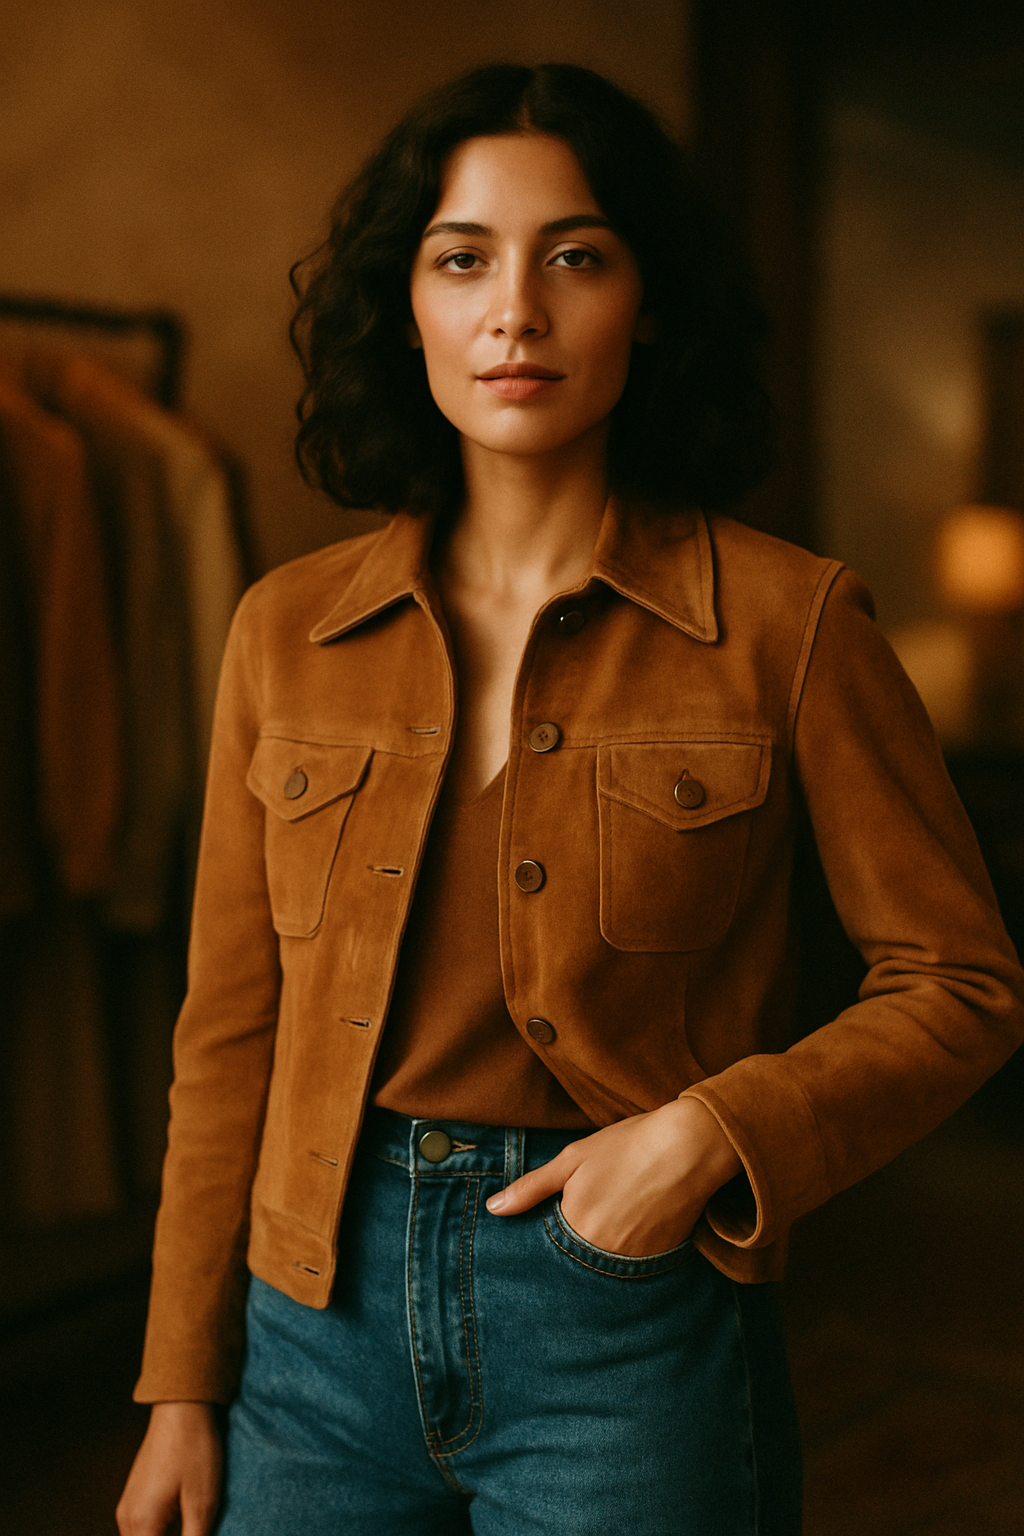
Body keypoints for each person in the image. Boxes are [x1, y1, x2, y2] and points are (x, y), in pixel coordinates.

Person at [116, 63, 1024, 1536]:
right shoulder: (283, 629)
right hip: (307, 1326)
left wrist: (714, 1137)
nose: (515, 311)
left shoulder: (793, 624)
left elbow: (962, 980)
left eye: (576, 257)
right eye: (462, 257)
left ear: (647, 302)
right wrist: (178, 1385)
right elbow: (229, 1034)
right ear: (405, 305)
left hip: (626, 1326)